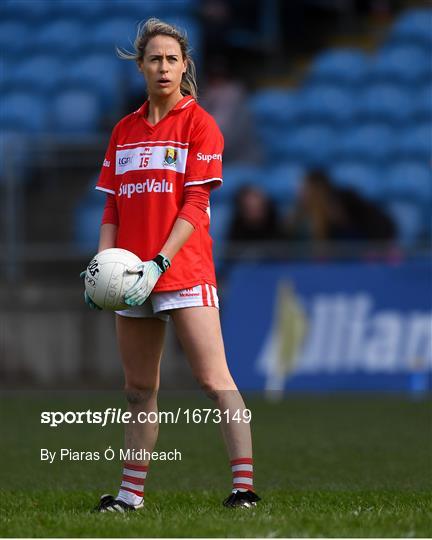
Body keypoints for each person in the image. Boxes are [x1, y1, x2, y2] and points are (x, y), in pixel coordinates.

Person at [81, 18, 260, 512]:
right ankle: (129, 496)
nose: (164, 67)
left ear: (185, 67)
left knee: (214, 380)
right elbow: (113, 208)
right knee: (139, 388)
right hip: (130, 277)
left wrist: (160, 262)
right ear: (140, 66)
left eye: (172, 59)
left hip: (183, 271)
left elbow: (195, 206)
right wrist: (102, 268)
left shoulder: (200, 124)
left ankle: (243, 489)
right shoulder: (123, 131)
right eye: (155, 59)